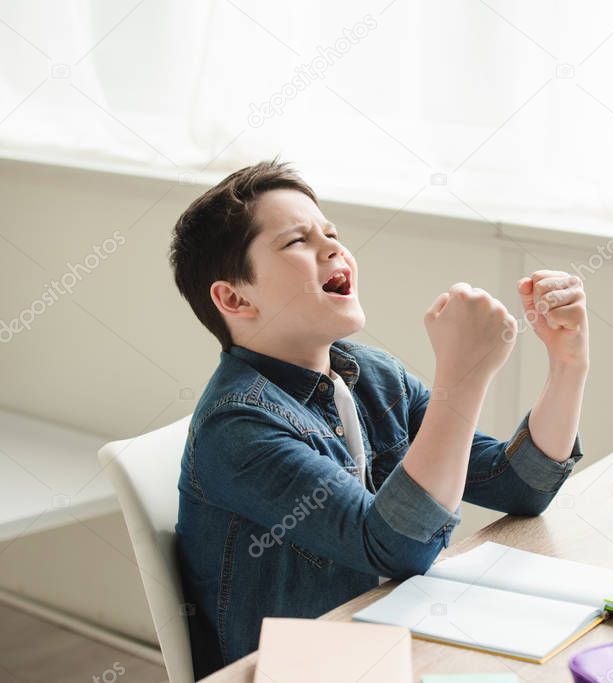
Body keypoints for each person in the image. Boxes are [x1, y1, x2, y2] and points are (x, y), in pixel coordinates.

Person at [167, 160, 589, 677]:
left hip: (391, 639)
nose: (332, 248)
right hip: (307, 668)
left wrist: (569, 363)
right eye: (297, 241)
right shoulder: (237, 426)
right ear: (234, 297)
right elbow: (395, 547)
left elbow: (520, 486)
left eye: (332, 233)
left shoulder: (372, 373)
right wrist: (462, 379)